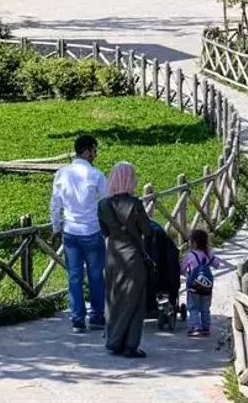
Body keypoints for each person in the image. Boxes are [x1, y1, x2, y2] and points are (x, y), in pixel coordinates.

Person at [51, 135, 108, 334]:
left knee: (74, 276)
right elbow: (108, 200)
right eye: (94, 150)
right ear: (86, 151)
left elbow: (55, 203)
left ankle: (77, 319)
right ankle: (97, 317)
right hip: (92, 230)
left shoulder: (62, 173)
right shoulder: (96, 175)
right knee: (96, 276)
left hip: (70, 232)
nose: (96, 154)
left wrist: (56, 228)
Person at [98, 161, 151, 358]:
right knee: (135, 302)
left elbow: (104, 231)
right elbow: (146, 230)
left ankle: (113, 340)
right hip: (133, 258)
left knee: (114, 299)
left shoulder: (103, 205)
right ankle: (130, 345)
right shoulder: (135, 205)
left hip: (113, 257)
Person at [181, 228, 219, 338]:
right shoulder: (208, 254)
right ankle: (206, 327)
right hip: (207, 286)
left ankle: (196, 327)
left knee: (193, 307)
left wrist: (186, 272)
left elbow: (182, 269)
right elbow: (217, 264)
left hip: (194, 286)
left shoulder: (190, 255)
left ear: (193, 242)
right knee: (205, 307)